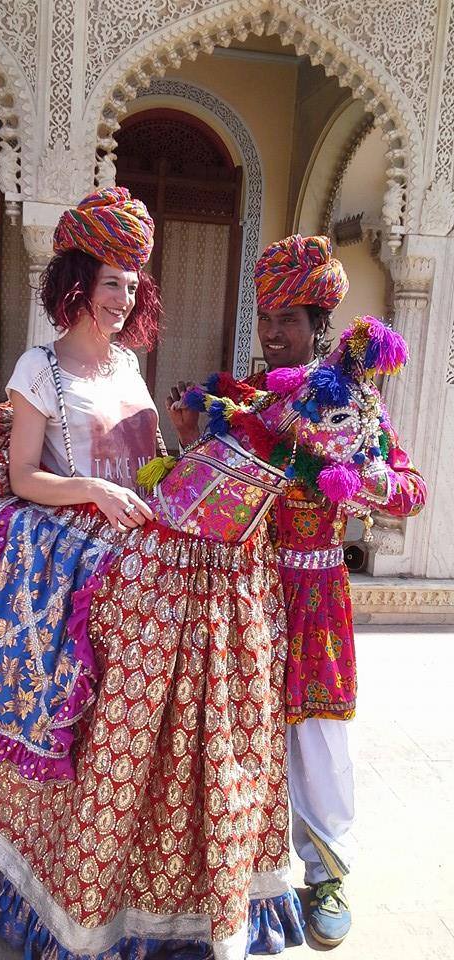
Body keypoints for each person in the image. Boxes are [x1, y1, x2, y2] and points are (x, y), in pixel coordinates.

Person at [0, 190, 304, 959]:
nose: (125, 297)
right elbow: (20, 479)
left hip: (134, 532)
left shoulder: (130, 366)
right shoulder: (38, 368)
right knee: (153, 626)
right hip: (73, 535)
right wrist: (94, 491)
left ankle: (185, 836)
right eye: (112, 281)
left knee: (208, 598)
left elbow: (148, 470)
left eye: (134, 285)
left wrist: (181, 456)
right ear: (76, 280)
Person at [168, 234, 426, 947]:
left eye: (288, 318)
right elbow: (205, 496)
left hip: (315, 593)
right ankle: (242, 873)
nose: (274, 331)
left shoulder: (354, 407)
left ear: (321, 324)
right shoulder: (249, 403)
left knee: (318, 738)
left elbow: (411, 490)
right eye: (266, 316)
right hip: (245, 594)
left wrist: (353, 477)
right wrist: (191, 438)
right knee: (236, 733)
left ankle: (328, 875)